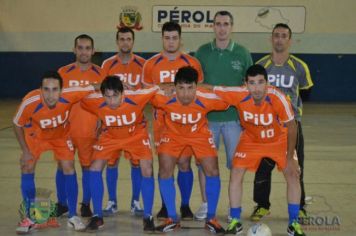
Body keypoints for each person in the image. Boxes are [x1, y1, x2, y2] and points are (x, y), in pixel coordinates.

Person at [207, 64, 305, 236]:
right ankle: (235, 221)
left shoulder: (278, 97)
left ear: (267, 83)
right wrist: (173, 87)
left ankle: (293, 223)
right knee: (236, 172)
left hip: (278, 140)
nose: (256, 88)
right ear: (245, 83)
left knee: (292, 173)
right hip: (251, 139)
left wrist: (290, 158)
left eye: (260, 82)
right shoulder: (239, 94)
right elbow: (212, 89)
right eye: (252, 83)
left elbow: (292, 126)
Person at [13, 71, 96, 233]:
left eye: (54, 89)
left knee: (69, 167)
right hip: (36, 136)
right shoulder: (30, 101)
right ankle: (30, 217)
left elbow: (93, 87)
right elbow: (17, 124)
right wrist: (25, 151)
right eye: (46, 89)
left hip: (60, 136)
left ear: (61, 89)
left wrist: (118, 85)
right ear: (40, 89)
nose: (50, 95)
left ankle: (73, 215)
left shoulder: (70, 95)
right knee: (27, 167)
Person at [151, 66, 228, 234]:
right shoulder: (162, 98)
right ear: (174, 87)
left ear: (196, 86)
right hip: (173, 135)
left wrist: (209, 87)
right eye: (181, 88)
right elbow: (142, 94)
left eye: (190, 88)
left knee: (213, 171)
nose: (185, 94)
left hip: (199, 134)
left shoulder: (206, 98)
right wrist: (160, 87)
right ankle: (171, 217)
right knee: (164, 170)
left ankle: (211, 218)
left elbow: (230, 98)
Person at [251, 23, 313, 221]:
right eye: (276, 35)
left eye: (283, 36)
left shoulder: (299, 66)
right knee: (262, 167)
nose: (279, 39)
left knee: (295, 167)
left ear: (289, 40)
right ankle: (262, 205)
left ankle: (299, 206)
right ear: (271, 39)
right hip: (266, 125)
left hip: (291, 126)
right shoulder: (261, 66)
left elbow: (305, 92)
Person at [194, 10, 253, 220]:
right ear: (213, 26)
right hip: (207, 120)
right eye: (218, 24)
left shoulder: (243, 53)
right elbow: (197, 85)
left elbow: (249, 87)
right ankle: (205, 204)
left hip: (234, 120)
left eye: (226, 24)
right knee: (204, 163)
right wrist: (223, 90)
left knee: (236, 166)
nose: (222, 28)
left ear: (231, 27)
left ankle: (233, 207)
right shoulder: (201, 52)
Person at [142, 21, 203, 220]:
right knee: (165, 166)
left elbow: (199, 91)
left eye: (174, 38)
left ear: (180, 39)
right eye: (167, 38)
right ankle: (166, 205)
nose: (170, 42)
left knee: (185, 164)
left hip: (186, 123)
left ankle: (185, 205)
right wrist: (163, 87)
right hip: (162, 124)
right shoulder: (150, 64)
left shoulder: (191, 63)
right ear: (162, 39)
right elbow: (146, 94)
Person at [81, 76, 158, 232]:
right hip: (110, 136)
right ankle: (97, 216)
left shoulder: (137, 97)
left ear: (123, 93)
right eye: (107, 97)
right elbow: (80, 91)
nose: (111, 101)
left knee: (147, 168)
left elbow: (157, 87)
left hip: (136, 136)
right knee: (94, 168)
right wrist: (97, 85)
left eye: (115, 96)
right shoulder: (94, 101)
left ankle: (148, 217)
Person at [57, 34, 104, 218]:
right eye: (80, 47)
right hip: (66, 129)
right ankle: (63, 203)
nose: (84, 51)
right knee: (63, 166)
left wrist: (102, 121)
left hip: (89, 129)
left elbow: (107, 101)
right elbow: (55, 99)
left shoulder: (102, 73)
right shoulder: (62, 72)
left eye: (87, 48)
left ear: (93, 50)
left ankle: (85, 203)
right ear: (74, 49)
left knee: (87, 168)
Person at [101, 27, 146, 216]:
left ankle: (136, 201)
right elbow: (101, 93)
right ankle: (112, 201)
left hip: (134, 125)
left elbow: (147, 92)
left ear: (133, 41)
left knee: (137, 164)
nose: (125, 42)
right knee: (111, 163)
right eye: (122, 39)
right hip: (111, 124)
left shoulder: (144, 64)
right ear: (117, 41)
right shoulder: (108, 64)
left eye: (128, 39)